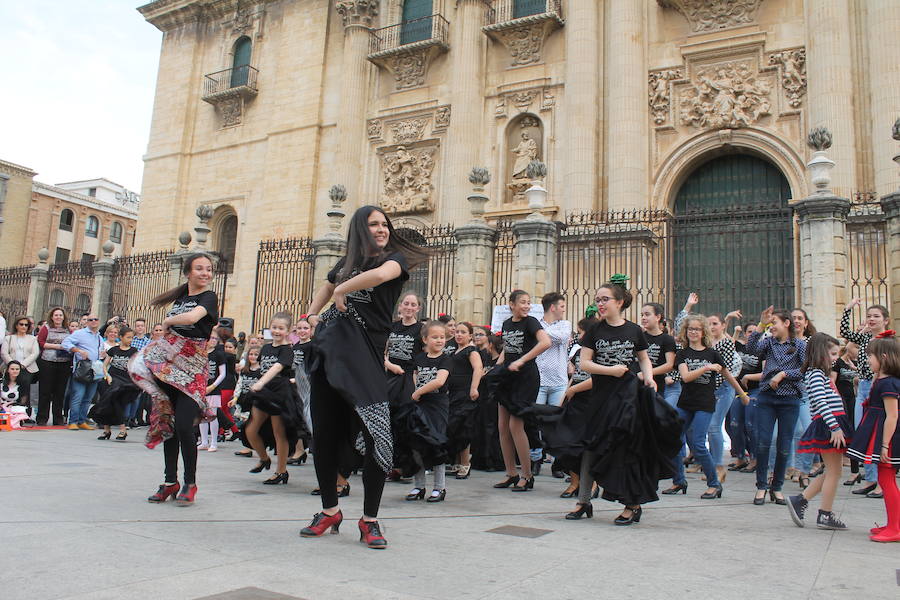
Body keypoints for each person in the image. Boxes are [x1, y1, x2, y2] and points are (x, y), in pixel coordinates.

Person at [299, 205, 428, 549]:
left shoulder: (393, 259)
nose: (382, 229)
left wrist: (343, 290)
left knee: (377, 437)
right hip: (330, 352)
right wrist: (311, 314)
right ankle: (330, 510)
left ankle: (369, 519)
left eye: (385, 224)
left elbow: (380, 277)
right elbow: (327, 287)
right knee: (324, 436)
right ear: (360, 228)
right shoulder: (344, 264)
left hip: (366, 357)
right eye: (374, 224)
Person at [560, 276, 680, 525]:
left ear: (620, 302)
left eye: (605, 299)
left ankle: (632, 504)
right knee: (591, 447)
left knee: (627, 449)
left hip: (628, 397)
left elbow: (644, 358)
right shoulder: (594, 330)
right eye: (598, 300)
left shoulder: (634, 329)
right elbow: (584, 363)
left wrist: (649, 378)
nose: (600, 304)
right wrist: (611, 370)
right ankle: (584, 501)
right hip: (601, 398)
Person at [129, 253, 218, 507]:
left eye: (208, 269)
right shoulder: (180, 298)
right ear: (188, 272)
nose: (205, 273)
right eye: (199, 269)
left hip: (192, 368)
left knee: (183, 427)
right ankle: (170, 482)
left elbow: (190, 320)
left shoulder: (208, 298)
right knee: (168, 424)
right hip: (168, 369)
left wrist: (167, 321)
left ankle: (190, 483)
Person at [670, 315, 748, 499]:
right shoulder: (682, 354)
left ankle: (714, 484)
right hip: (686, 403)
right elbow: (686, 377)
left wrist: (743, 395)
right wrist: (705, 368)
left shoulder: (712, 354)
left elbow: (728, 375)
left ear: (703, 331)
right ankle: (679, 481)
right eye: (690, 329)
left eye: (697, 329)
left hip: (704, 404)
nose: (693, 332)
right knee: (674, 440)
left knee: (698, 444)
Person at [786, 333, 852, 530]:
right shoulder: (815, 373)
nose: (835, 358)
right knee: (834, 472)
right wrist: (835, 427)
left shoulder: (820, 373)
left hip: (830, 422)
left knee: (834, 471)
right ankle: (824, 514)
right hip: (828, 424)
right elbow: (820, 403)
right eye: (832, 354)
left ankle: (801, 500)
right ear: (820, 353)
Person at [491, 290, 551, 492]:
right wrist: (497, 367)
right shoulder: (507, 324)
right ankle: (511, 473)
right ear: (511, 304)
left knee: (516, 425)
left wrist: (523, 360)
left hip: (526, 377)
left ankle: (527, 475)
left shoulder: (532, 322)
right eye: (522, 302)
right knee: (502, 426)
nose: (526, 306)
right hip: (508, 376)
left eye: (528, 302)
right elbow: (508, 349)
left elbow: (545, 343)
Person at [746, 307, 806, 506]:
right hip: (767, 398)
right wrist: (761, 324)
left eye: (774, 324)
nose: (772, 328)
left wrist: (784, 374)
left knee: (784, 445)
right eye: (770, 325)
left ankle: (777, 487)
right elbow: (751, 349)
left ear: (786, 324)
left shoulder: (799, 344)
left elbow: (805, 369)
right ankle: (761, 486)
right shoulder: (769, 343)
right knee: (763, 441)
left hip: (789, 400)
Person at [846, 331, 900, 542]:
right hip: (881, 434)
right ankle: (893, 524)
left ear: (884, 357)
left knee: (887, 481)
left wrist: (885, 446)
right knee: (886, 481)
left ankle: (895, 528)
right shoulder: (884, 380)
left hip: (886, 437)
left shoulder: (889, 383)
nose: (868, 359)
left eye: (871, 356)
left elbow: (892, 416)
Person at [242, 312, 306, 484]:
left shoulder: (287, 350)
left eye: (281, 328)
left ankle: (281, 471)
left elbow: (277, 368)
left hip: (280, 392)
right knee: (250, 429)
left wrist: (260, 383)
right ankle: (264, 458)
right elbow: (262, 367)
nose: (277, 331)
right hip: (264, 390)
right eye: (274, 327)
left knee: (280, 433)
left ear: (288, 330)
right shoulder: (265, 348)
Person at [841, 299, 888, 498]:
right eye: (869, 316)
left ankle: (881, 482)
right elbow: (845, 333)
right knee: (863, 431)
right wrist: (848, 309)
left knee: (877, 434)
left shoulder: (887, 340)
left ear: (885, 320)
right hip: (863, 388)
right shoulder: (865, 338)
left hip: (878, 388)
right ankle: (870, 478)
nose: (871, 319)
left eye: (876, 316)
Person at [405, 320, 452, 502]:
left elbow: (439, 381)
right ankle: (419, 486)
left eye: (442, 337)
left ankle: (439, 488)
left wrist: (417, 392)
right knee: (417, 443)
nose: (439, 340)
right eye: (435, 337)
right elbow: (414, 377)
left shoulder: (446, 359)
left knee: (436, 442)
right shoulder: (419, 359)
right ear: (425, 339)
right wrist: (415, 394)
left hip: (437, 403)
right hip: (420, 403)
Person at [384, 292, 424, 480]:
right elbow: (382, 352)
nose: (408, 307)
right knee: (389, 421)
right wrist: (390, 365)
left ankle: (408, 467)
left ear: (418, 308)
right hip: (390, 377)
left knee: (405, 422)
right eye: (405, 303)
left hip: (409, 378)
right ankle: (392, 464)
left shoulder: (421, 329)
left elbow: (425, 355)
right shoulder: (392, 327)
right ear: (400, 306)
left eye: (412, 304)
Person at [533, 292, 571, 477]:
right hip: (538, 379)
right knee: (536, 422)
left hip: (559, 381)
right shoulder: (535, 324)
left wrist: (538, 331)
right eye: (562, 306)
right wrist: (537, 331)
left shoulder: (565, 324)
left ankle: (558, 463)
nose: (564, 310)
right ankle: (536, 458)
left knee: (556, 422)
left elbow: (562, 337)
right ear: (553, 307)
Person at [444, 321, 483, 479]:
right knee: (456, 428)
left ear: (470, 335)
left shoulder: (471, 351)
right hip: (453, 393)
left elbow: (478, 369)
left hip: (465, 393)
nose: (459, 334)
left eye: (463, 332)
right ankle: (458, 462)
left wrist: (474, 388)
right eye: (457, 332)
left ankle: (465, 463)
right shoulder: (455, 350)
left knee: (463, 428)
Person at [91, 327, 139, 441]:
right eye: (128, 337)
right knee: (107, 403)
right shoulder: (114, 350)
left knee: (117, 404)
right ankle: (107, 430)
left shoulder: (133, 351)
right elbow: (105, 364)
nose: (130, 340)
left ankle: (122, 429)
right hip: (112, 380)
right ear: (121, 337)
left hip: (125, 382)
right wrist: (107, 375)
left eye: (131, 337)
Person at [61, 314, 104, 430]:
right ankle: (73, 421)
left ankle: (81, 420)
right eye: (91, 320)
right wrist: (78, 350)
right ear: (86, 322)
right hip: (82, 369)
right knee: (78, 396)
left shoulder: (99, 336)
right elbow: (65, 343)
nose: (94, 321)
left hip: (95, 370)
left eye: (96, 319)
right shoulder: (80, 334)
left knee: (88, 398)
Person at [36, 307, 71, 426]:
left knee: (60, 392)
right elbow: (40, 342)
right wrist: (57, 346)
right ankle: (42, 418)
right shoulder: (46, 328)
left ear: (63, 317)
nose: (58, 317)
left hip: (64, 362)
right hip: (47, 362)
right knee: (45, 391)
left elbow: (71, 343)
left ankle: (58, 418)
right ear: (51, 316)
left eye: (60, 315)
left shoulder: (67, 329)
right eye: (56, 315)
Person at [2, 316, 40, 416]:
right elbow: (4, 353)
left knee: (25, 390)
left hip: (27, 368)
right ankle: (9, 411)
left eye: (26, 325)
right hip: (12, 368)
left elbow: (35, 353)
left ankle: (25, 414)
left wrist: (22, 365)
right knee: (11, 388)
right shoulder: (9, 338)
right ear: (16, 325)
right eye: (21, 324)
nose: (23, 326)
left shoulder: (32, 339)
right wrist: (13, 365)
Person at [198, 333, 225, 452]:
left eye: (216, 339)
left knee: (212, 415)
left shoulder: (218, 354)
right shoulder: (201, 353)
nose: (214, 340)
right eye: (212, 338)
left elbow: (223, 374)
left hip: (213, 389)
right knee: (201, 416)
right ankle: (204, 441)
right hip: (201, 388)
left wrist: (213, 386)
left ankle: (213, 442)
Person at [0, 361, 30, 429]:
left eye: (17, 369)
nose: (15, 371)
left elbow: (23, 400)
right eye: (12, 369)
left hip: (14, 409)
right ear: (8, 370)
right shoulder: (1, 382)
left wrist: (13, 408)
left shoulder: (24, 383)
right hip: (2, 408)